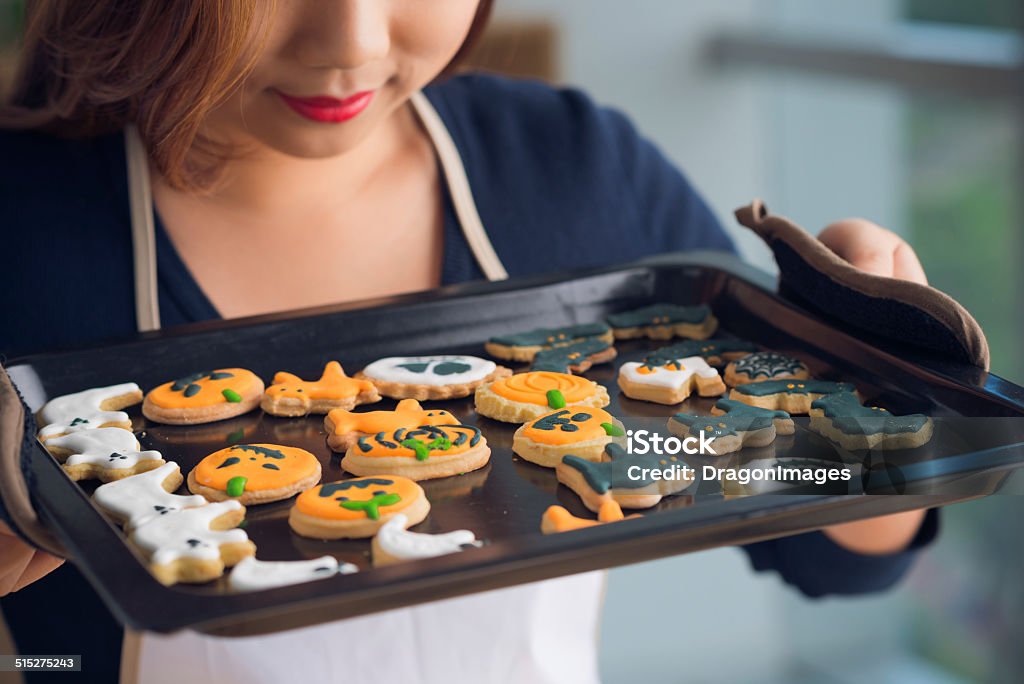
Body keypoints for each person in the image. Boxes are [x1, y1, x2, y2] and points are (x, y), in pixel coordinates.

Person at [0, 1, 937, 682]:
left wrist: (869, 393)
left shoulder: (576, 175)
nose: (351, 41)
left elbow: (834, 551)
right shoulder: (21, 217)